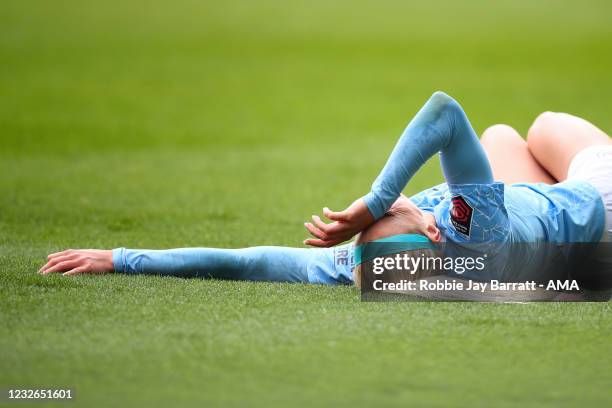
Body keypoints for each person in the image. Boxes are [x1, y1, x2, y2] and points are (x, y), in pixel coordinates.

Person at [38, 92, 611, 286]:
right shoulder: (472, 232)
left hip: (527, 206)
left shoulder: (368, 266)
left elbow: (248, 264)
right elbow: (443, 111)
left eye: (361, 241)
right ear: (436, 229)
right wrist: (381, 200)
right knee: (540, 126)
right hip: (597, 205)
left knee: (502, 136)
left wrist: (121, 258)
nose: (351, 249)